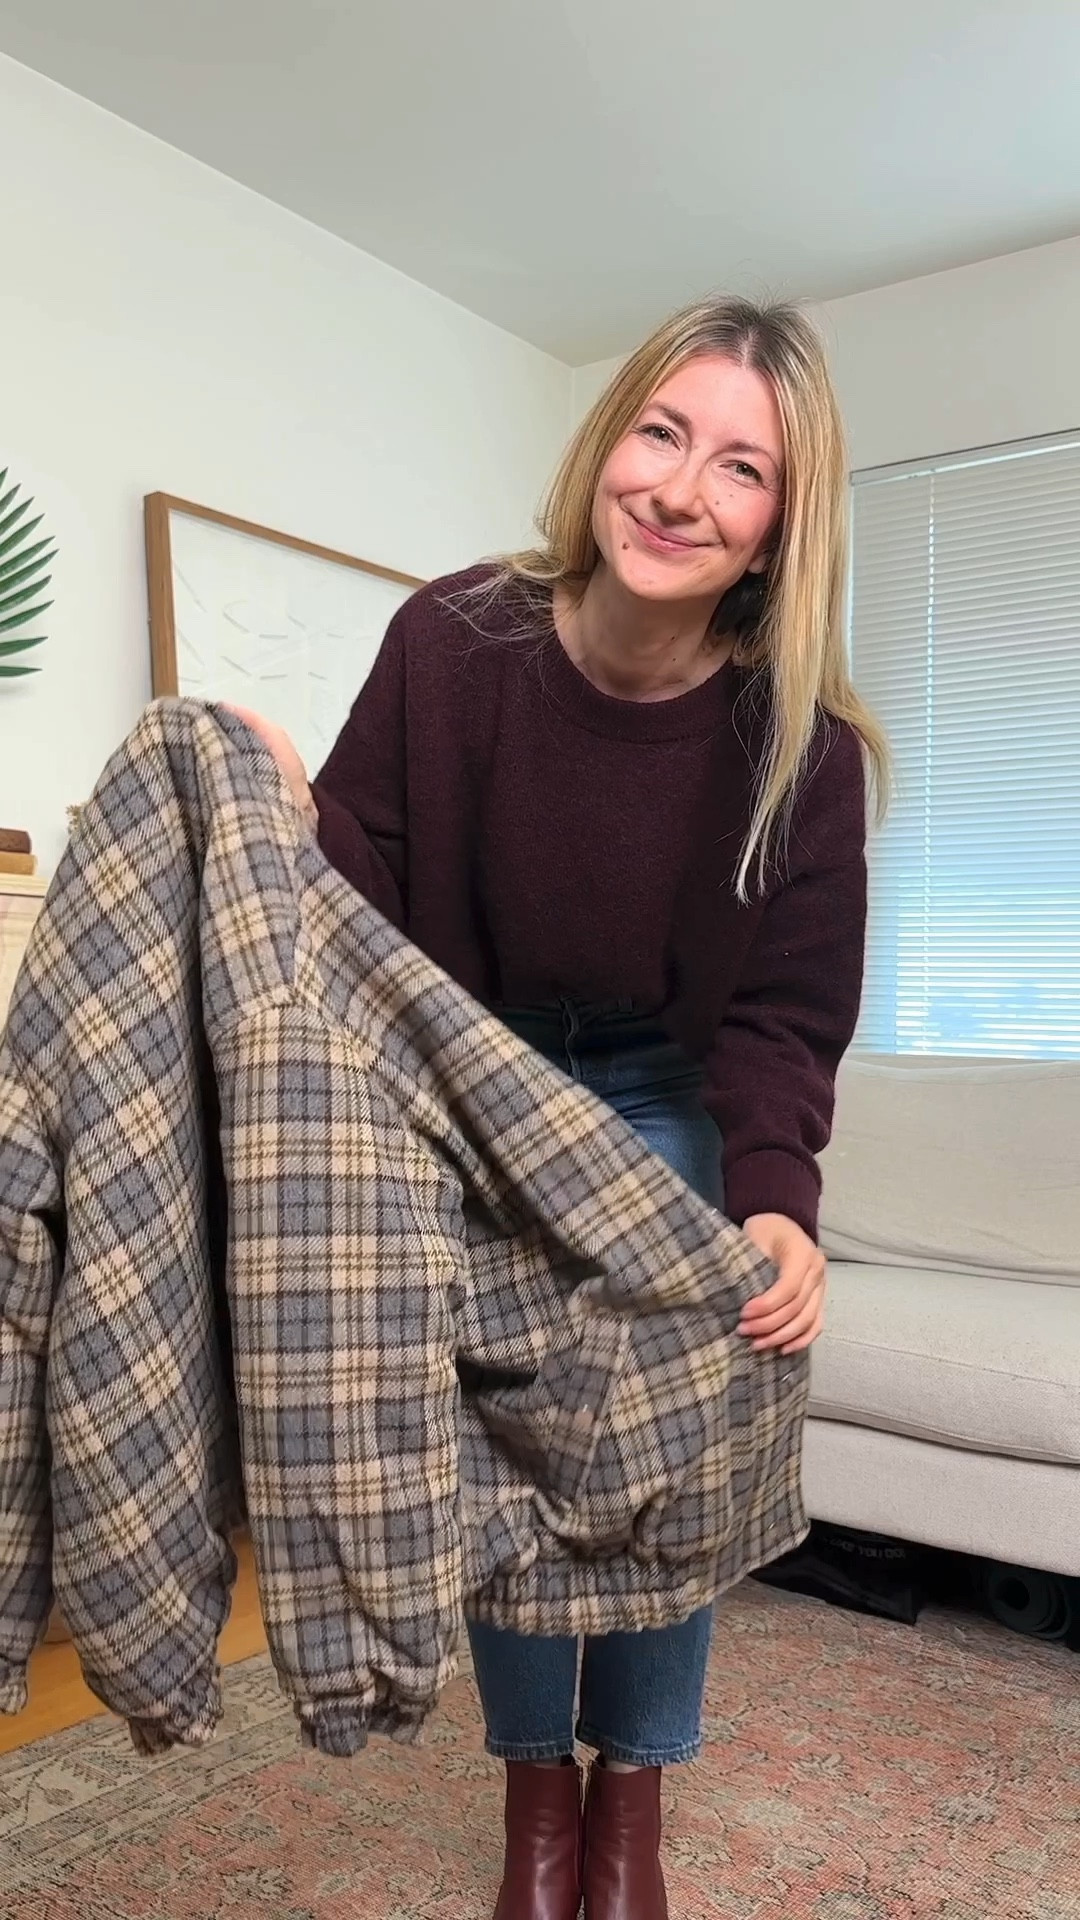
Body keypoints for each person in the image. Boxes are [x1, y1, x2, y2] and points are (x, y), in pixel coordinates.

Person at [238, 294, 887, 1920]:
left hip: (665, 1083)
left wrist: (775, 1200)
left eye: (741, 468)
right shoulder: (452, 641)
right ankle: (538, 1795)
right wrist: (285, 804)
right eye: (661, 434)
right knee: (494, 1429)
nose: (680, 490)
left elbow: (784, 1018)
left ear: (778, 529)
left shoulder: (802, 751)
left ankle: (632, 1796)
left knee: (682, 1407)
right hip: (470, 1069)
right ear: (608, 445)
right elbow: (366, 892)